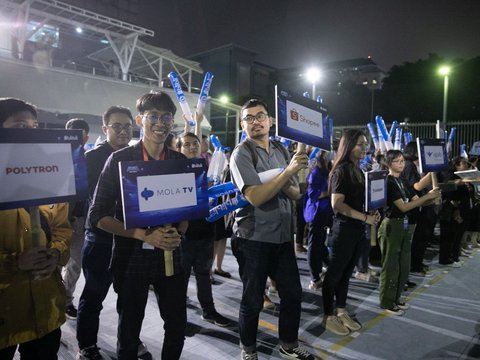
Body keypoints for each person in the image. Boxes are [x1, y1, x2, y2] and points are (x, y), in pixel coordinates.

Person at [87, 92, 187, 360]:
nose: (160, 123)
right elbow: (96, 215)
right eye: (153, 116)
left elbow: (188, 210)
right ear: (141, 120)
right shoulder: (121, 159)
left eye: (166, 117)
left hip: (172, 257)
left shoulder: (179, 162)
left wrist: (178, 233)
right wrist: (143, 235)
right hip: (131, 258)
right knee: (129, 330)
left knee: (177, 326)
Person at [230, 99, 314, 360]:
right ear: (243, 124)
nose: (256, 121)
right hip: (253, 238)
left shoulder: (279, 148)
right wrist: (288, 172)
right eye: (249, 118)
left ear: (270, 120)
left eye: (261, 116)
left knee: (293, 294)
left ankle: (288, 345)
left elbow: (293, 193)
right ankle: (248, 349)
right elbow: (255, 197)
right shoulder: (241, 154)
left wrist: (296, 177)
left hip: (282, 237)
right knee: (253, 299)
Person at [0, 97, 72, 359]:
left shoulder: (51, 174)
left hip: (46, 307)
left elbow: (62, 227)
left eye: (34, 126)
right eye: (20, 126)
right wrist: (14, 263)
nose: (30, 134)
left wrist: (56, 253)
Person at [76, 106, 149, 359]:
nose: (123, 131)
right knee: (94, 295)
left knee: (129, 297)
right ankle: (86, 345)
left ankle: (129, 339)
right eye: (116, 126)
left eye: (127, 126)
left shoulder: (138, 155)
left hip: (129, 239)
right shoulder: (94, 158)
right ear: (105, 128)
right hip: (101, 237)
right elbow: (93, 200)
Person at [322, 129, 381, 336]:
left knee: (346, 274)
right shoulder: (341, 171)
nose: (364, 148)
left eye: (365, 144)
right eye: (360, 144)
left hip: (357, 230)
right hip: (344, 230)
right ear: (348, 147)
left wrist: (370, 210)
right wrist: (365, 217)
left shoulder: (358, 169)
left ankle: (341, 310)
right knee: (335, 274)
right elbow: (337, 204)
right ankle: (328, 315)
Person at [176, 132, 230, 327]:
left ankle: (208, 310)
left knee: (204, 274)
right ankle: (177, 316)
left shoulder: (207, 168)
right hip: (185, 235)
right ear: (179, 148)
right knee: (180, 278)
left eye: (195, 144)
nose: (191, 147)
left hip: (206, 230)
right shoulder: (176, 170)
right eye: (187, 144)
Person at [378, 150, 440, 315]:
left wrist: (433, 198)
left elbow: (415, 201)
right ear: (389, 164)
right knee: (391, 266)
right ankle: (387, 301)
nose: (401, 164)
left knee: (403, 265)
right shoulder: (389, 182)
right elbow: (404, 207)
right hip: (392, 225)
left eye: (402, 161)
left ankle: (396, 298)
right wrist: (426, 198)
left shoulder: (403, 181)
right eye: (397, 161)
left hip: (404, 226)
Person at [63, 118, 90, 320]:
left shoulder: (90, 159)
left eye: (78, 134)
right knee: (54, 262)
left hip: (79, 220)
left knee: (75, 264)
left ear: (86, 136)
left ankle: (65, 301)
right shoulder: (55, 159)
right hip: (56, 219)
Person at [401, 142, 435, 277]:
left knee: (420, 238)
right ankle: (415, 265)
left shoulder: (412, 166)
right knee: (416, 239)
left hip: (418, 206)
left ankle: (417, 263)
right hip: (413, 208)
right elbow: (417, 186)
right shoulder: (408, 166)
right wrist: (433, 171)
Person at [304, 150, 333, 290]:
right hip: (315, 213)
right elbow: (313, 194)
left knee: (320, 243)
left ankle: (326, 266)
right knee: (314, 245)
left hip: (325, 213)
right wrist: (331, 192)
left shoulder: (329, 171)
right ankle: (314, 277)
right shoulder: (316, 173)